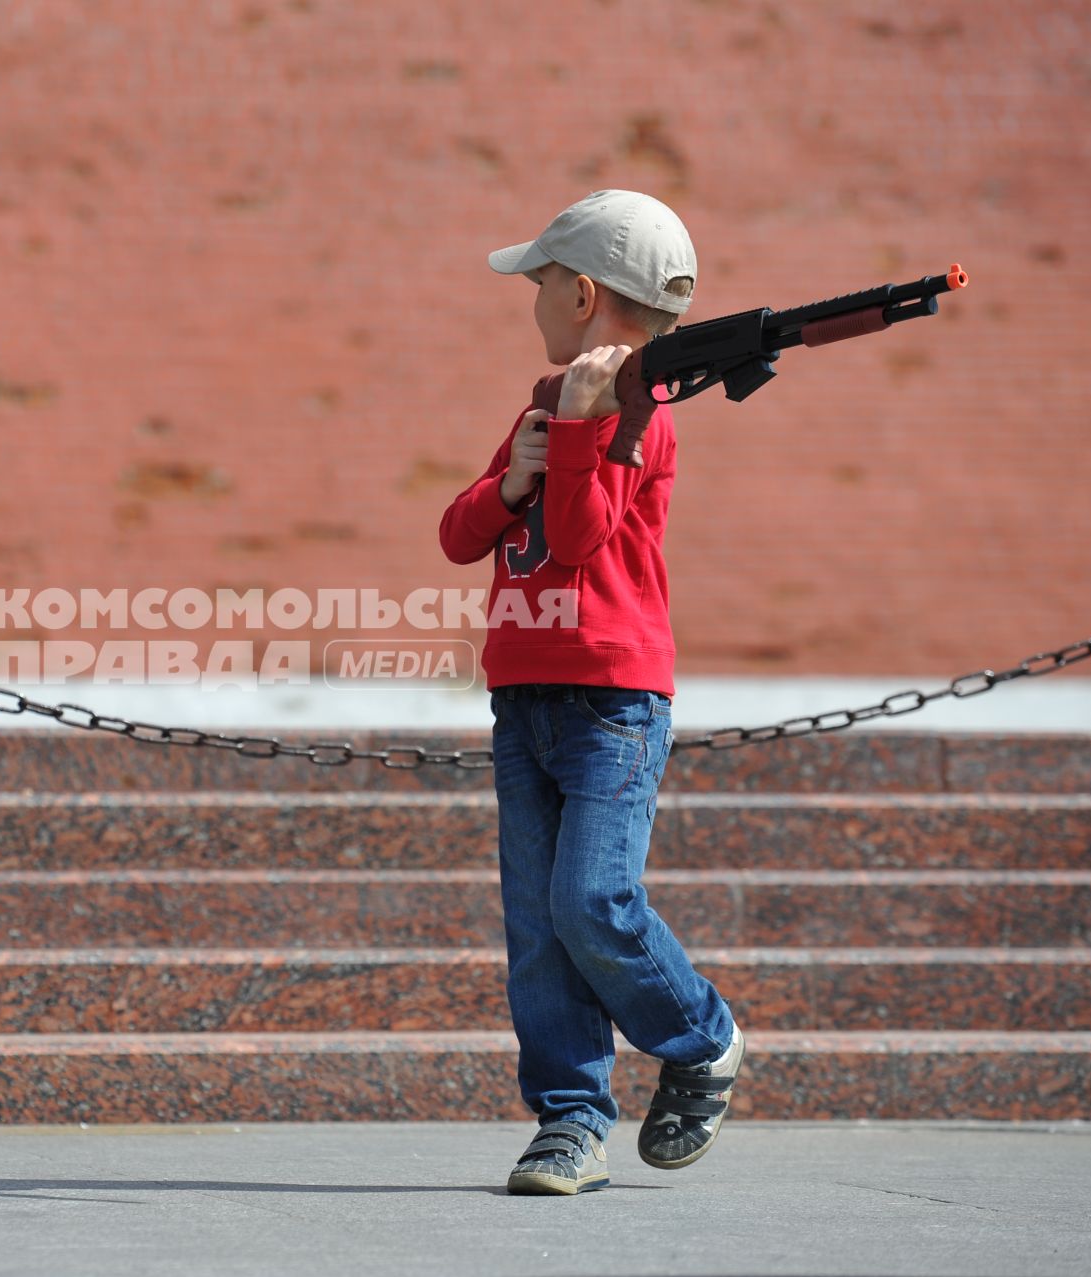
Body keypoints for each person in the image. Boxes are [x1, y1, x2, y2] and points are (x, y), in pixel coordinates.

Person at [437, 190, 742, 1196]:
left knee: (591, 898)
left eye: (538, 282)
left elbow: (579, 541)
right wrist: (514, 476)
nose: (532, 297)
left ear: (578, 292)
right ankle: (569, 1122)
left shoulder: (638, 417)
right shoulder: (544, 402)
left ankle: (699, 1035)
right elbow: (460, 533)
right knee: (537, 927)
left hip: (613, 701)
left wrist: (572, 437)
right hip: (524, 698)